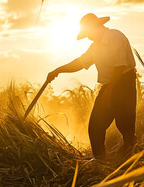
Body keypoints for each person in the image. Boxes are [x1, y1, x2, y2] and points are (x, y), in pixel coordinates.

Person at [47, 13, 137, 160]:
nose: (88, 37)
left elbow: (120, 68)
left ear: (96, 27)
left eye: (88, 33)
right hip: (109, 85)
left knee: (125, 126)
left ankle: (130, 158)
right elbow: (79, 63)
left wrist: (109, 92)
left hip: (125, 85)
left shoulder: (116, 37)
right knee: (95, 127)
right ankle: (101, 162)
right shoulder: (95, 48)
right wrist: (58, 70)